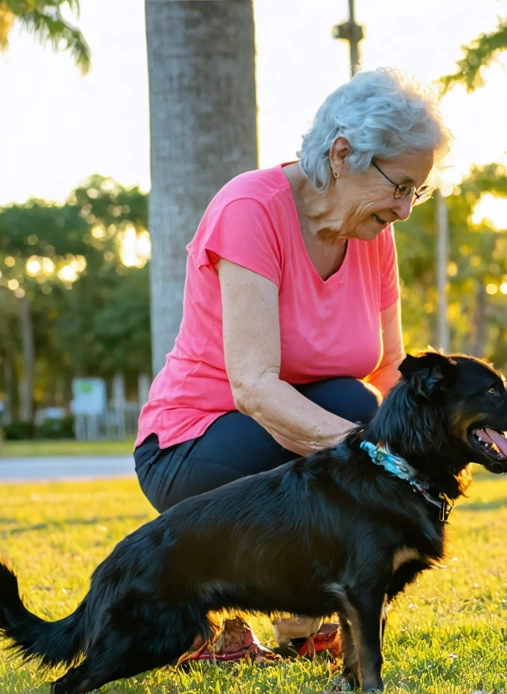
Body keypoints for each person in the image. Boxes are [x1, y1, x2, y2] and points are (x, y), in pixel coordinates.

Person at [134, 68, 450, 655]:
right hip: (194, 445)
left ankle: (303, 619)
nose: (405, 209)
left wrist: (439, 434)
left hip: (289, 439)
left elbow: (390, 367)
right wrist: (372, 456)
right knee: (354, 426)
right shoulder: (251, 208)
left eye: (417, 191)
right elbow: (253, 386)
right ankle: (216, 619)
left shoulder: (372, 235)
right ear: (342, 155)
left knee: (357, 400)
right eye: (400, 186)